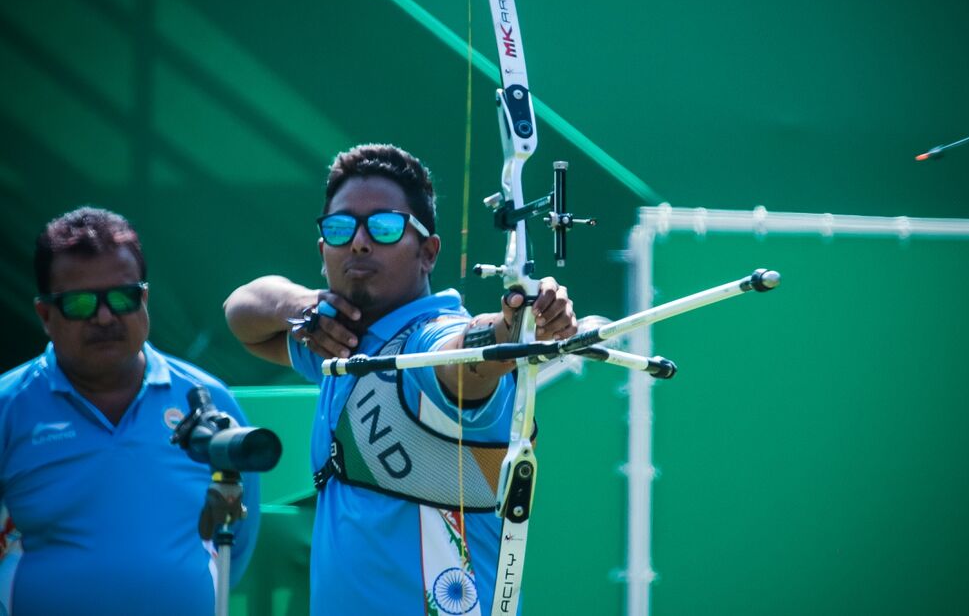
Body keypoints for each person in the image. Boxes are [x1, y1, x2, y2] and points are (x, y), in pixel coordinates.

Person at [224, 143, 578, 615]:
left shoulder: (427, 341)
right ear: (323, 249)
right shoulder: (338, 341)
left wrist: (512, 328)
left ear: (428, 252)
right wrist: (302, 305)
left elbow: (463, 359)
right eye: (340, 227)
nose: (359, 241)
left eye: (385, 227)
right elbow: (241, 314)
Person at [0, 207, 261, 615]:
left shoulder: (209, 399)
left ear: (144, 299)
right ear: (45, 315)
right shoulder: (9, 406)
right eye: (80, 303)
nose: (105, 316)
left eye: (122, 297)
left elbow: (237, 537)